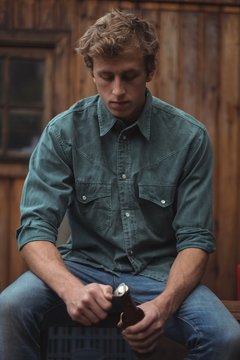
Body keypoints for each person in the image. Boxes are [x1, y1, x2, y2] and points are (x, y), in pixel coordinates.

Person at [0, 9, 240, 360]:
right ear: (92, 72)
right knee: (7, 310)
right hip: (80, 266)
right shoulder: (63, 133)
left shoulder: (189, 138)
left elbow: (195, 239)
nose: (117, 91)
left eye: (129, 76)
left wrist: (164, 305)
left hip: (160, 273)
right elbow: (35, 229)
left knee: (227, 339)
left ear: (149, 71)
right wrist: (70, 290)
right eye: (106, 77)